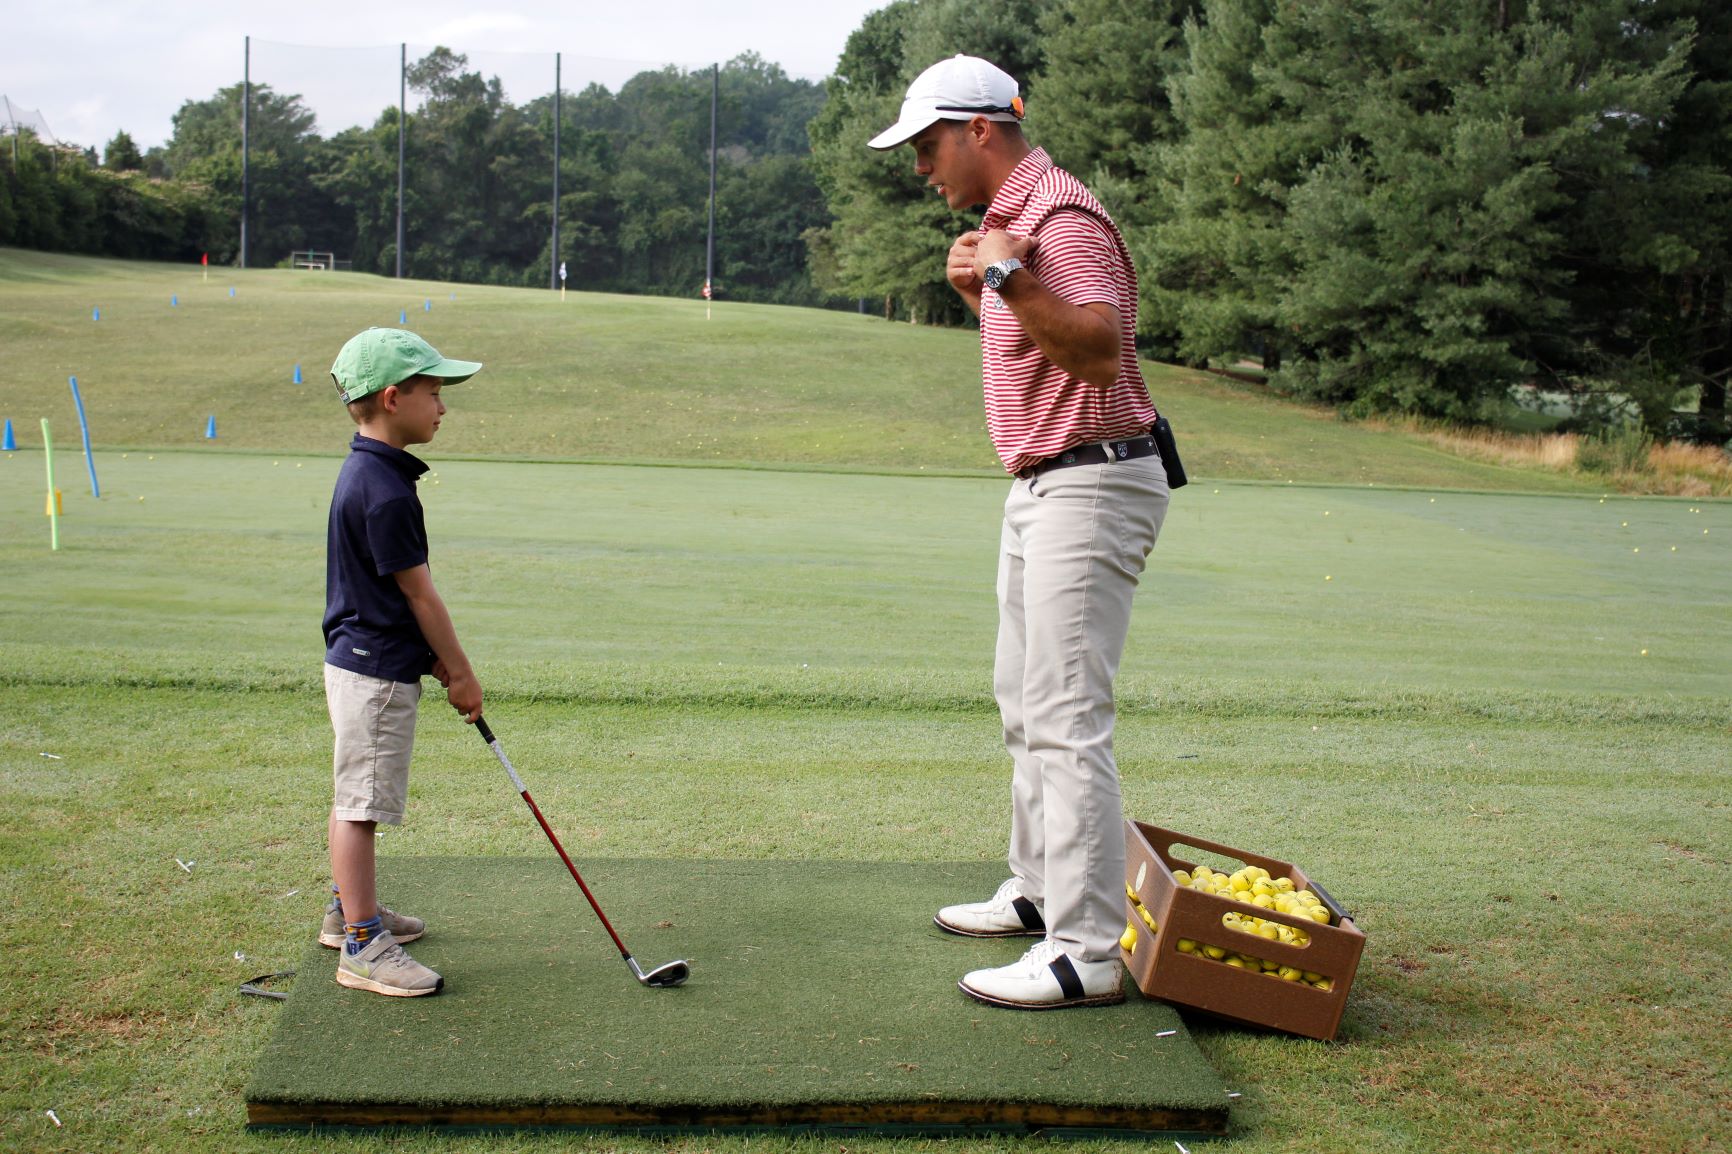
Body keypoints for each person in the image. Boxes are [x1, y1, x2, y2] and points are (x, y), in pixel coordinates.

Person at [870, 55, 1171, 1009]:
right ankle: (1043, 894)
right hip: (1047, 483)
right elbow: (1031, 341)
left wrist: (1000, 267)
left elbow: (1095, 349)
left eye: (928, 147)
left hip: (1092, 477)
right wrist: (983, 283)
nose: (923, 168)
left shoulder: (1061, 217)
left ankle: (1086, 950)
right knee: (1024, 701)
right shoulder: (1017, 223)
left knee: (1068, 715)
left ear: (980, 131)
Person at [319, 327, 485, 997]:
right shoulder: (385, 492)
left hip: (366, 657)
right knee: (361, 804)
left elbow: (390, 592)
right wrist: (461, 672)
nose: (443, 408)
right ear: (393, 399)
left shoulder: (371, 471)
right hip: (375, 672)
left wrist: (434, 663)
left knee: (357, 795)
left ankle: (346, 910)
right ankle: (361, 943)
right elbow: (419, 595)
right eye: (434, 394)